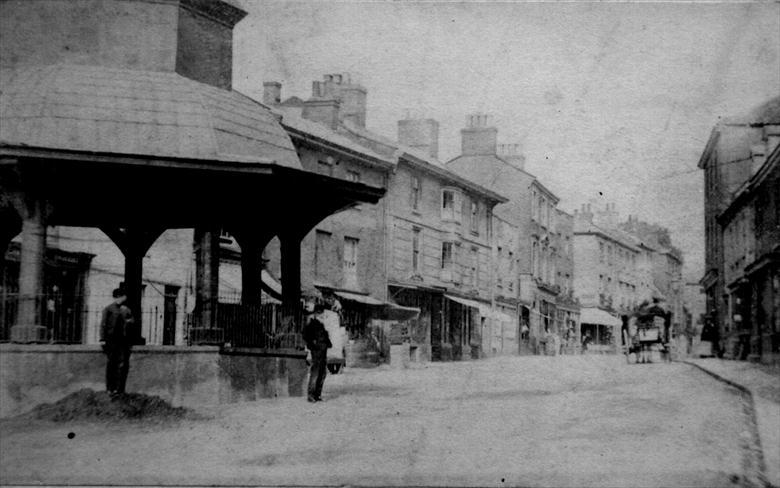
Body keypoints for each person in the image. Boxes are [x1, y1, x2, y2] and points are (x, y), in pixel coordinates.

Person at [100, 286, 135, 398]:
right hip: (111, 340)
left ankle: (119, 390)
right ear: (116, 297)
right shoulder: (108, 309)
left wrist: (129, 321)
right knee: (111, 364)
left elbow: (132, 322)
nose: (122, 299)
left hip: (123, 341)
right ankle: (110, 388)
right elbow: (103, 325)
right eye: (120, 297)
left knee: (122, 364)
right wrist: (102, 339)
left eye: (123, 297)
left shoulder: (126, 310)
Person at [302, 302, 332, 403]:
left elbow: (326, 338)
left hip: (323, 351)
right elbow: (306, 337)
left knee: (323, 373)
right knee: (315, 373)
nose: (323, 316)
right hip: (317, 351)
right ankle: (311, 395)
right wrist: (313, 347)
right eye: (321, 314)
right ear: (316, 314)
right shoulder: (312, 324)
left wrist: (328, 344)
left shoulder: (321, 325)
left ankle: (317, 395)